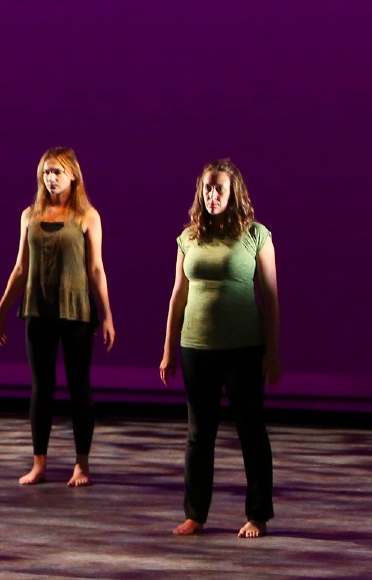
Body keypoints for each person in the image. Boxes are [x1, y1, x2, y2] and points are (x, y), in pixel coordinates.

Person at [158, 159, 281, 538]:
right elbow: (177, 296)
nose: (213, 195)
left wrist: (272, 352)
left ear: (234, 193)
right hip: (196, 346)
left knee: (250, 430)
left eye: (220, 189)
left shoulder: (256, 235)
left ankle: (257, 515)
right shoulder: (188, 238)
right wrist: (167, 351)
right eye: (208, 189)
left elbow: (271, 297)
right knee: (199, 433)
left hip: (244, 347)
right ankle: (196, 513)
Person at [0, 148, 116, 486]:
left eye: (58, 171)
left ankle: (82, 464)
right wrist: (2, 309)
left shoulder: (88, 217)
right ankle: (39, 463)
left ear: (73, 175)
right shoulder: (29, 215)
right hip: (38, 309)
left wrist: (106, 316)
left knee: (79, 388)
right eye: (47, 171)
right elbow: (20, 268)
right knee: (41, 388)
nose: (51, 177)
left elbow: (96, 269)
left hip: (76, 311)